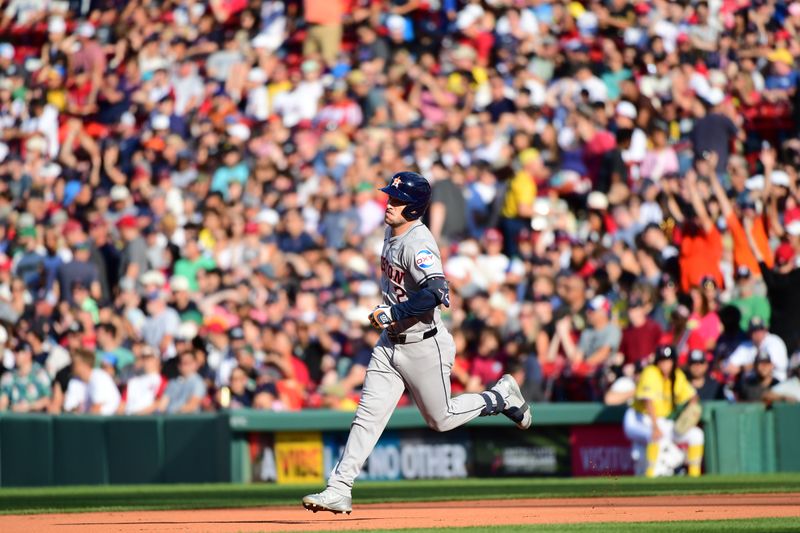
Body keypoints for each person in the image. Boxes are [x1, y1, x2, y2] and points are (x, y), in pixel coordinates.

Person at [302, 172, 532, 515]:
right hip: (390, 342)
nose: (389, 204)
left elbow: (437, 293)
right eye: (390, 198)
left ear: (414, 208)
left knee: (441, 419)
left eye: (398, 201)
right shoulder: (391, 231)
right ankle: (339, 488)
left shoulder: (418, 243)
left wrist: (393, 311)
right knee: (367, 416)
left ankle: (499, 397)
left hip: (424, 344)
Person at [623, 345, 704, 477]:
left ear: (673, 361)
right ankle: (651, 475)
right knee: (655, 436)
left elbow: (693, 396)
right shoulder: (651, 372)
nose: (665, 364)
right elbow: (648, 402)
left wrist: (691, 411)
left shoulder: (677, 376)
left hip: (662, 420)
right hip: (639, 418)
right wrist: (655, 427)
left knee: (696, 434)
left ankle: (694, 477)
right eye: (662, 360)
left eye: (668, 360)